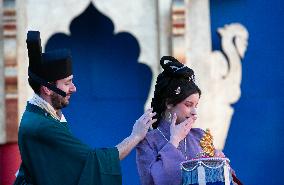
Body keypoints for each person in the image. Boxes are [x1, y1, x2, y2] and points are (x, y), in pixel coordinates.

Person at [13, 31, 156, 185]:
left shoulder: (41, 115)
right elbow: (93, 161)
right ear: (47, 89)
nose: (73, 88)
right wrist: (135, 136)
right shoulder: (42, 125)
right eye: (67, 83)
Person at [136, 56, 230, 185]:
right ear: (169, 103)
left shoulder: (201, 136)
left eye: (196, 106)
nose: (194, 112)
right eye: (188, 104)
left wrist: (219, 166)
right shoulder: (148, 141)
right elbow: (152, 181)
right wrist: (174, 141)